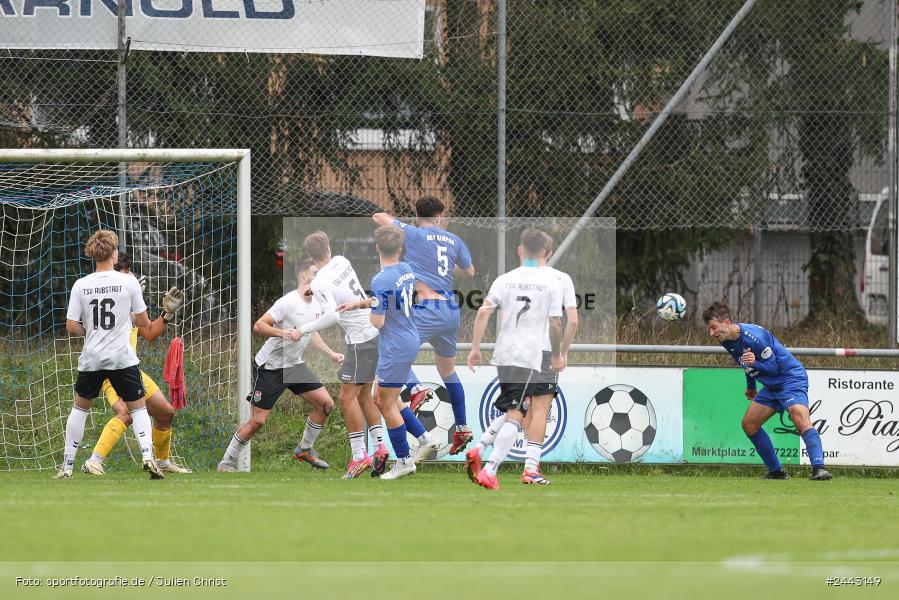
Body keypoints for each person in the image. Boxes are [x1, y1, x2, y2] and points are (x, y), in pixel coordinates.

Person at [217, 260, 343, 473]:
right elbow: (259, 325)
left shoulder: (317, 303)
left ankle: (304, 448)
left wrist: (330, 354)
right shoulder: (287, 302)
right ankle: (226, 462)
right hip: (270, 367)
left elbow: (310, 331)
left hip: (294, 365)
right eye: (316, 273)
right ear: (304, 276)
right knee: (258, 421)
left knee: (326, 405)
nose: (320, 277)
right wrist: (284, 333)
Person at [373, 196, 476, 454]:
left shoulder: (414, 234)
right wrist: (447, 270)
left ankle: (417, 388)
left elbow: (380, 219)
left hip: (428, 308)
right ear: (440, 216)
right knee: (448, 371)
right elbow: (470, 271)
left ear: (418, 216)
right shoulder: (454, 239)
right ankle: (462, 427)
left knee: (397, 346)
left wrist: (374, 211)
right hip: (450, 309)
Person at [59, 229, 162, 479]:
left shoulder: (81, 285)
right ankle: (148, 456)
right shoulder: (129, 282)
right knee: (138, 409)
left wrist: (92, 332)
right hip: (122, 357)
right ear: (113, 252)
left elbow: (71, 326)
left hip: (92, 357)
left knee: (80, 408)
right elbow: (144, 322)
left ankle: (67, 466)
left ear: (94, 254)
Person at [465, 229, 564, 490]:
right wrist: (555, 353)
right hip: (529, 354)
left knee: (514, 407)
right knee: (517, 412)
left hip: (505, 353)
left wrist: (475, 348)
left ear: (520, 250)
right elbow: (555, 323)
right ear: (544, 252)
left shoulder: (504, 279)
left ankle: (479, 448)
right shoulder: (550, 283)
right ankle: (490, 468)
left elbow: (484, 311)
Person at [338, 226, 438, 480]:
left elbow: (378, 322)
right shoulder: (405, 270)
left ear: (377, 248)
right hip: (409, 337)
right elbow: (390, 298)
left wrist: (368, 314)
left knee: (383, 401)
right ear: (400, 249)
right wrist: (360, 303)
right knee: (380, 396)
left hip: (394, 345)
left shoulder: (379, 279)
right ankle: (424, 439)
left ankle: (404, 461)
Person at [81, 252, 191, 475]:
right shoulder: (105, 302)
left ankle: (161, 462)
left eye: (130, 272)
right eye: (126, 272)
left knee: (165, 413)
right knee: (126, 413)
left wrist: (167, 314)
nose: (130, 276)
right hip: (110, 371)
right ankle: (93, 460)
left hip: (131, 370)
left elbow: (149, 332)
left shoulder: (131, 306)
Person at [702, 301, 832, 481]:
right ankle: (776, 472)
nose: (711, 333)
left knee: (799, 418)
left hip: (789, 378)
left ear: (727, 322)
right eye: (709, 329)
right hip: (771, 386)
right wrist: (751, 386)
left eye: (713, 327)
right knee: (749, 425)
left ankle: (820, 468)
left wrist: (755, 363)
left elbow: (772, 368)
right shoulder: (727, 339)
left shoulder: (753, 337)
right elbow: (745, 362)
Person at [301, 230, 389, 479]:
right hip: (374, 333)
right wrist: (316, 291)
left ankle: (359, 456)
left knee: (345, 398)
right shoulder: (342, 261)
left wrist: (302, 329)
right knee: (364, 396)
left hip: (360, 340)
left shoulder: (319, 283)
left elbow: (332, 315)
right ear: (329, 246)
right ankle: (380, 447)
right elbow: (337, 290)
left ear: (310, 256)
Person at [519, 233, 578, 485]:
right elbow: (572, 320)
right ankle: (531, 467)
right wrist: (561, 353)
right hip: (544, 350)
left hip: (518, 349)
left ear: (523, 250)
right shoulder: (560, 278)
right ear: (549, 252)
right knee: (541, 408)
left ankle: (527, 462)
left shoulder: (515, 277)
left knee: (522, 408)